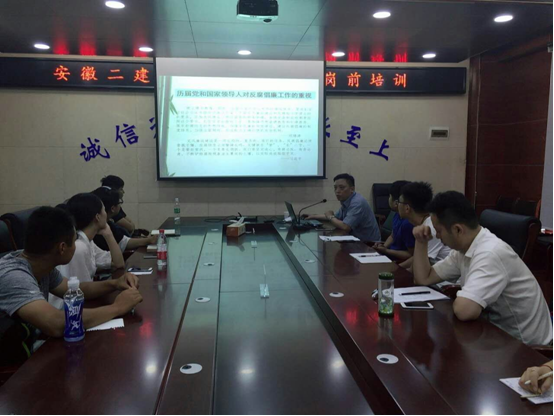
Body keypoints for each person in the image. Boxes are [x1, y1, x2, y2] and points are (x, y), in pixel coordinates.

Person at [412, 191, 552, 345]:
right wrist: (421, 242)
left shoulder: (490, 253)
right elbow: (424, 278)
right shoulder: (465, 248)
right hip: (495, 335)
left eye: (439, 231)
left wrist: (462, 297)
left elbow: (465, 311)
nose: (437, 236)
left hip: (527, 348)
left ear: (458, 230)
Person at [0, 207, 142, 349]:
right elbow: (55, 323)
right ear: (62, 248)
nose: (76, 246)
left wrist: (115, 283)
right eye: (74, 241)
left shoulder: (40, 263)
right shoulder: (14, 276)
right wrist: (117, 308)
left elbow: (75, 289)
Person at [304, 173, 380, 242]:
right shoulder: (347, 200)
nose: (337, 191)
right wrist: (313, 216)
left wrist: (330, 216)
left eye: (341, 187)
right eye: (335, 188)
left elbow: (345, 226)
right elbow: (336, 216)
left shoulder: (357, 202)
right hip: (355, 240)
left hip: (369, 244)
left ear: (352, 189)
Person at [396, 181, 451, 269]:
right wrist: (397, 268)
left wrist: (395, 270)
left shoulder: (431, 229)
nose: (397, 205)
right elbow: (416, 258)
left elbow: (419, 263)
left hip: (443, 277)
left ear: (407, 208)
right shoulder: (424, 223)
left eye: (399, 202)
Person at [91, 187, 157, 252]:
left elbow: (123, 242)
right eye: (119, 202)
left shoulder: (108, 224)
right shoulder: (95, 231)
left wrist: (149, 240)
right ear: (112, 208)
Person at [373, 180, 415, 261]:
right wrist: (383, 247)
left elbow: (411, 255)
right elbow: (393, 235)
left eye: (389, 196)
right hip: (390, 255)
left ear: (396, 203)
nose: (388, 199)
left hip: (399, 261)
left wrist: (386, 251)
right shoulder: (397, 214)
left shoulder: (408, 224)